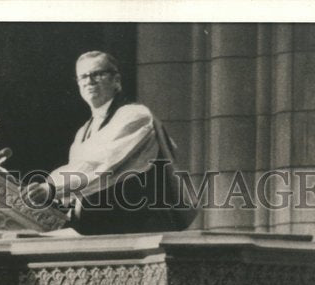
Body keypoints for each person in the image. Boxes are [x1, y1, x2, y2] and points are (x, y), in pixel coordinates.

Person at [27, 51, 194, 235]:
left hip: (136, 232)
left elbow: (100, 165)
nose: (89, 81)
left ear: (116, 80)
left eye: (97, 74)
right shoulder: (83, 132)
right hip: (98, 231)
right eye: (83, 76)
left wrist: (50, 187)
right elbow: (80, 190)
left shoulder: (135, 115)